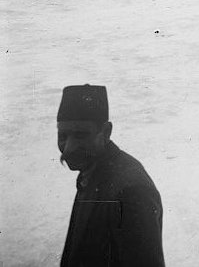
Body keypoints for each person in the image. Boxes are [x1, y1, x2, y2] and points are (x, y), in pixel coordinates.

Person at [57, 85, 165, 266]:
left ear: (106, 132)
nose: (68, 148)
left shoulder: (131, 192)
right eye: (63, 136)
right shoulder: (91, 170)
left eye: (80, 135)